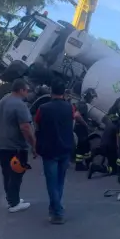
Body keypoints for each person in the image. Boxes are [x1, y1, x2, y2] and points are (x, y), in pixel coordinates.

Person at [34, 79, 78, 224]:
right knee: (60, 181)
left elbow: (37, 124)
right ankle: (54, 207)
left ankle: (57, 212)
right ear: (64, 92)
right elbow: (72, 122)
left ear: (51, 92)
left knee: (51, 182)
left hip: (49, 150)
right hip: (65, 148)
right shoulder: (69, 107)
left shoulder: (43, 108)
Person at [0, 78, 36, 213]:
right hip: (16, 147)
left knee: (7, 173)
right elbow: (25, 128)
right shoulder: (19, 105)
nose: (28, 93)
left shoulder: (3, 101)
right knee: (16, 174)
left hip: (2, 145)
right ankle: (14, 203)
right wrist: (34, 145)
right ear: (21, 90)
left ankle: (11, 198)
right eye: (27, 90)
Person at [73, 99, 92, 171]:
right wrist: (86, 124)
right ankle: (81, 164)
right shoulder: (83, 105)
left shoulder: (79, 104)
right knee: (83, 146)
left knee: (83, 146)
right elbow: (77, 115)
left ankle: (83, 164)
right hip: (81, 129)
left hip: (78, 128)